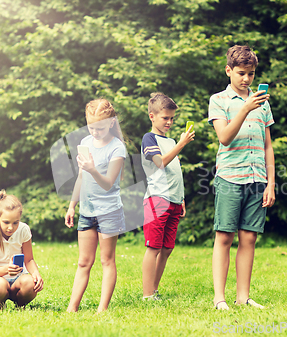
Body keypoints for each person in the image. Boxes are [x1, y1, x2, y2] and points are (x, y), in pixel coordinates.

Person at [208, 45, 275, 310]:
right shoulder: (219, 100)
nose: (246, 79)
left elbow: (268, 145)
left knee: (249, 238)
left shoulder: (263, 104)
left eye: (251, 73)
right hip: (230, 178)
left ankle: (243, 297)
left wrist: (270, 183)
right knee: (224, 237)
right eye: (241, 73)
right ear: (228, 71)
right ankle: (219, 298)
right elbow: (224, 137)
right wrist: (245, 108)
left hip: (257, 179)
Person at [65, 98, 127, 313]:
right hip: (87, 211)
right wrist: (72, 205)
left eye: (100, 127)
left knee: (106, 260)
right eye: (91, 127)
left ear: (111, 123)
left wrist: (92, 169)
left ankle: (102, 309)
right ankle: (72, 307)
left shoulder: (117, 148)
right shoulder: (85, 143)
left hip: (109, 211)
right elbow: (81, 176)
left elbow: (109, 183)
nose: (95, 132)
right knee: (83, 261)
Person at [141, 93, 195, 300]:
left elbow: (175, 170)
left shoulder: (171, 140)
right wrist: (181, 144)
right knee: (153, 247)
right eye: (165, 118)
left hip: (173, 200)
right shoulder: (150, 138)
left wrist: (181, 199)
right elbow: (160, 162)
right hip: (157, 199)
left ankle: (154, 290)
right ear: (152, 116)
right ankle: (147, 295)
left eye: (172, 118)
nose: (170, 122)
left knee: (167, 248)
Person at [0, 190, 44, 308]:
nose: (11, 227)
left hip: (18, 279)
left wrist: (36, 274)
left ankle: (20, 305)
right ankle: (1, 304)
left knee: (30, 284)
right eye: (6, 222)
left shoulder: (23, 230)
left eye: (16, 222)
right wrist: (7, 269)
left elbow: (29, 260)